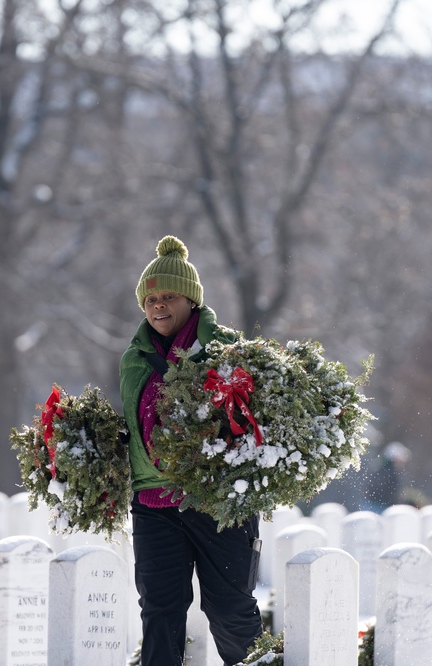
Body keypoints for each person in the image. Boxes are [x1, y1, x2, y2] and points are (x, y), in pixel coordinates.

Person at [120, 235, 263, 666]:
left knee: (228, 609)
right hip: (153, 503)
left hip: (215, 501)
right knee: (160, 612)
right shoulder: (133, 358)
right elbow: (133, 426)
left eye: (168, 296)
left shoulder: (224, 349)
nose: (158, 305)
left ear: (191, 300)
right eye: (151, 298)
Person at [362, 441, 411, 513]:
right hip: (379, 507)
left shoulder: (381, 468)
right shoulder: (389, 472)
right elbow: (388, 492)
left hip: (376, 505)